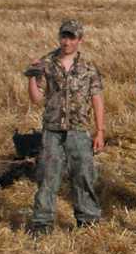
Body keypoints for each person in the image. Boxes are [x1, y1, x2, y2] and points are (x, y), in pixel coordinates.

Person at [25, 19, 105, 235]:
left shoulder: (88, 66)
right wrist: (32, 76)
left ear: (80, 40)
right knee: (47, 178)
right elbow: (36, 99)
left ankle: (88, 224)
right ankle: (42, 226)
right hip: (52, 131)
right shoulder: (46, 63)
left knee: (84, 177)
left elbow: (96, 98)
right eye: (64, 36)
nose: (67, 42)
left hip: (80, 131)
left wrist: (100, 131)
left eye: (71, 38)